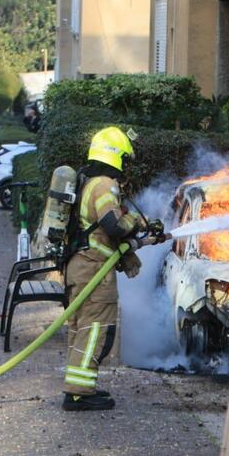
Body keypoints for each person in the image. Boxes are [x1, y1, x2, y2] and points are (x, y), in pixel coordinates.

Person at [61, 127, 147, 412]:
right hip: (94, 271)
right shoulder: (104, 185)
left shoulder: (89, 181)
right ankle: (79, 394)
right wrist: (135, 220)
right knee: (96, 330)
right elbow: (113, 226)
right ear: (116, 157)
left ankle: (78, 388)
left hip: (81, 267)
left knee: (81, 329)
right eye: (125, 157)